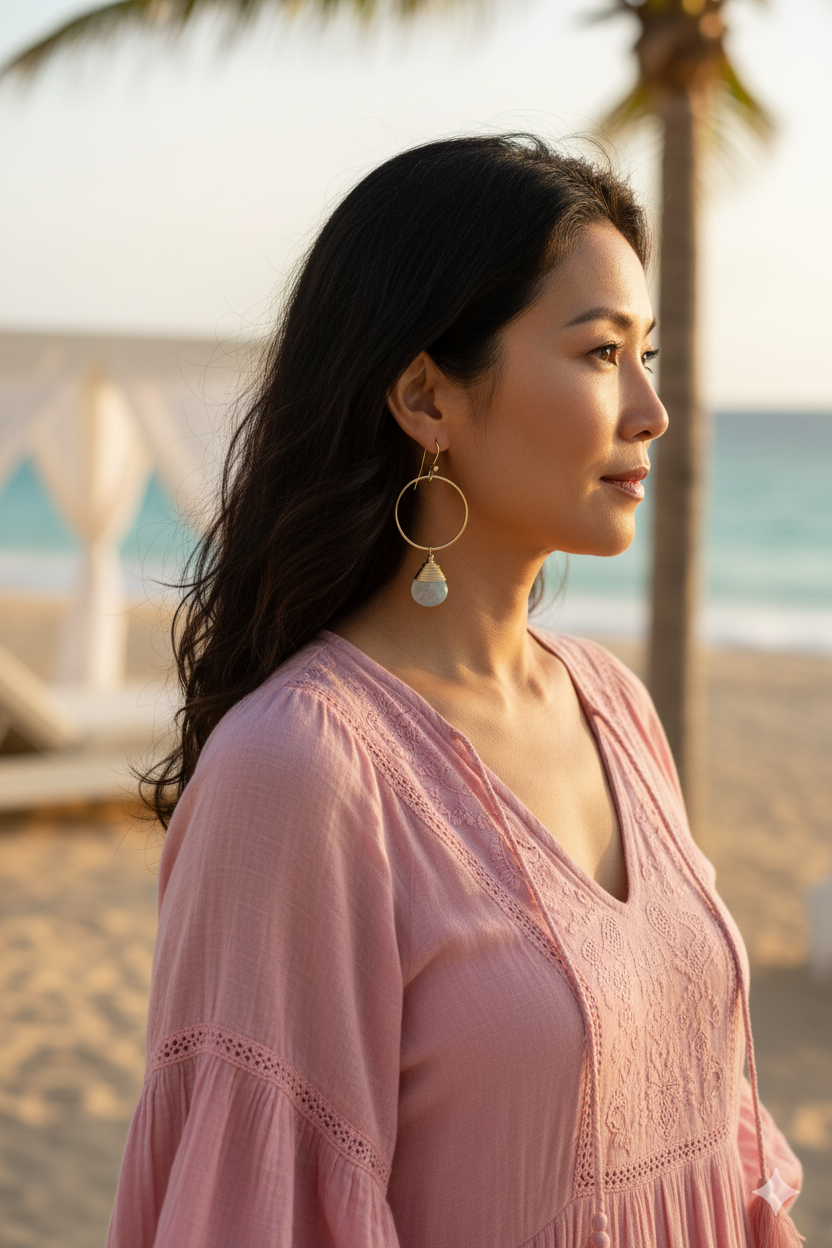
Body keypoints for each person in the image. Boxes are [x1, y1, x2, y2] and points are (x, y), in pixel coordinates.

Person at [108, 135, 804, 1248]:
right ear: (426, 396)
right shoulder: (299, 773)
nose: (649, 410)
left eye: (650, 353)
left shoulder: (611, 708)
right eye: (597, 354)